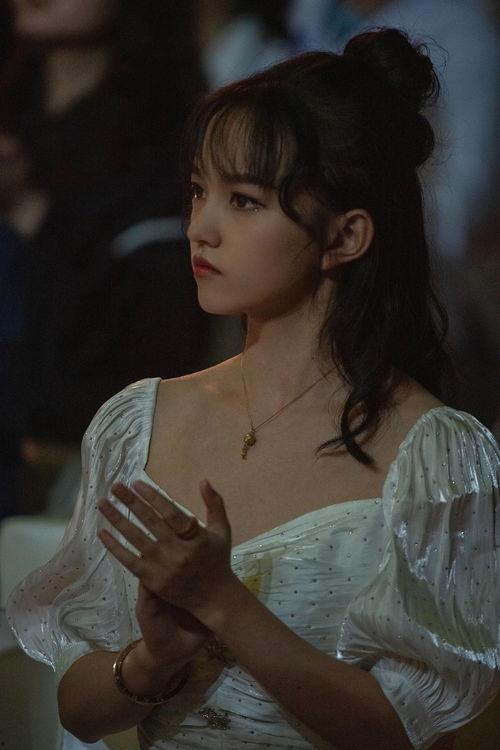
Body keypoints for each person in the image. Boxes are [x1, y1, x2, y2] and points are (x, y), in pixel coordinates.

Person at [7, 28, 500, 750]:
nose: (200, 229)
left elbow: (408, 731)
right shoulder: (139, 420)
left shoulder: (434, 453)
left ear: (346, 236)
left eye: (243, 201)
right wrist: (153, 659)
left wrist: (225, 606)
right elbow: (78, 711)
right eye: (198, 192)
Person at [0, 0, 208, 514]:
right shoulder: (15, 108)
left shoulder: (167, 143)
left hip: (75, 467)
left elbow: (140, 366)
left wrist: (31, 216)